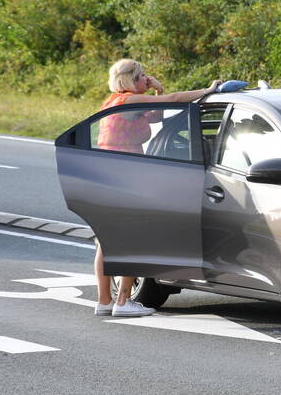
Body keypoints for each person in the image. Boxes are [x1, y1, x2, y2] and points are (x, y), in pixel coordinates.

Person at [93, 58, 221, 318]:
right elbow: (173, 101)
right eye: (142, 76)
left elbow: (157, 115)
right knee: (133, 238)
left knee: (107, 241)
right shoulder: (128, 100)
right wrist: (209, 90)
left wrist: (157, 90)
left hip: (109, 173)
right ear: (130, 80)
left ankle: (104, 300)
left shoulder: (116, 102)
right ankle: (123, 301)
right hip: (127, 174)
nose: (146, 78)